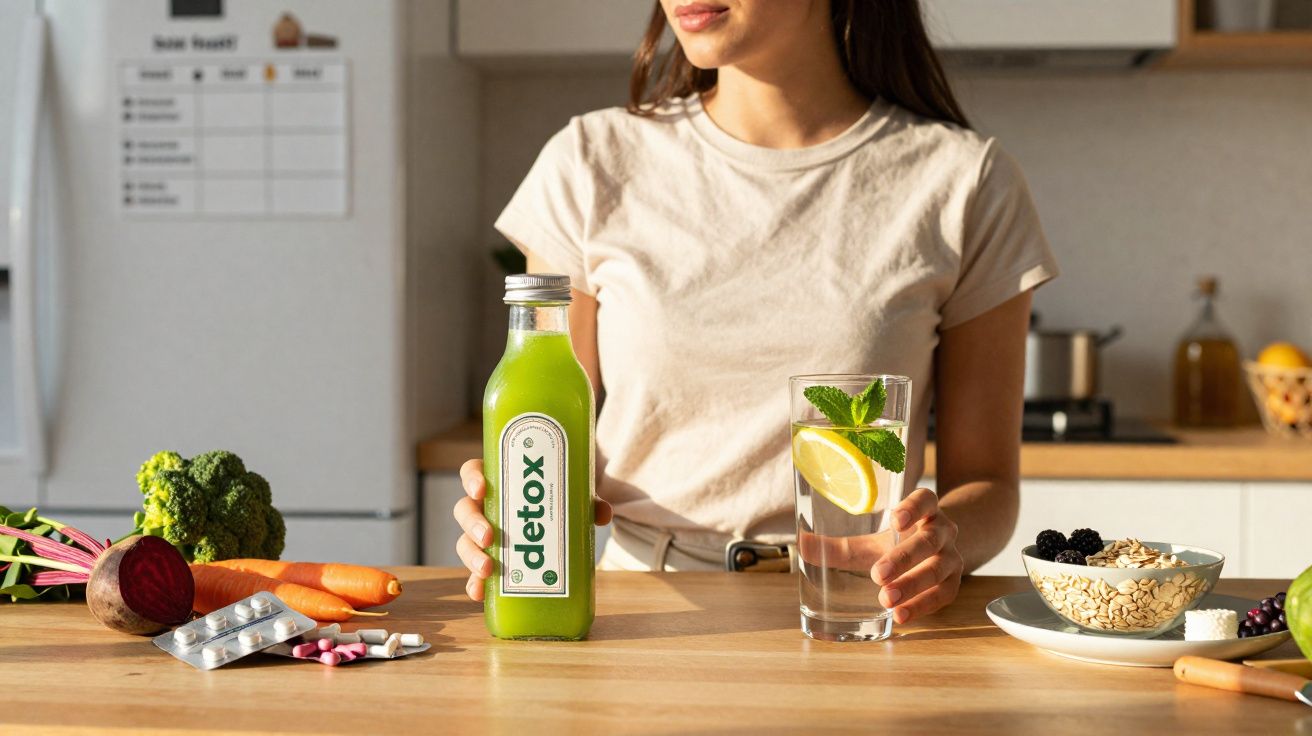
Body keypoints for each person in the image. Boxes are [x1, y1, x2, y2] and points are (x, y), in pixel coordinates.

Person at [453, 0, 1058, 625]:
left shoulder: (967, 180)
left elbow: (988, 483)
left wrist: (941, 540)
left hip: (852, 609)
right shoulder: (587, 162)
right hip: (639, 614)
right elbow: (547, 418)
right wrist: (511, 502)